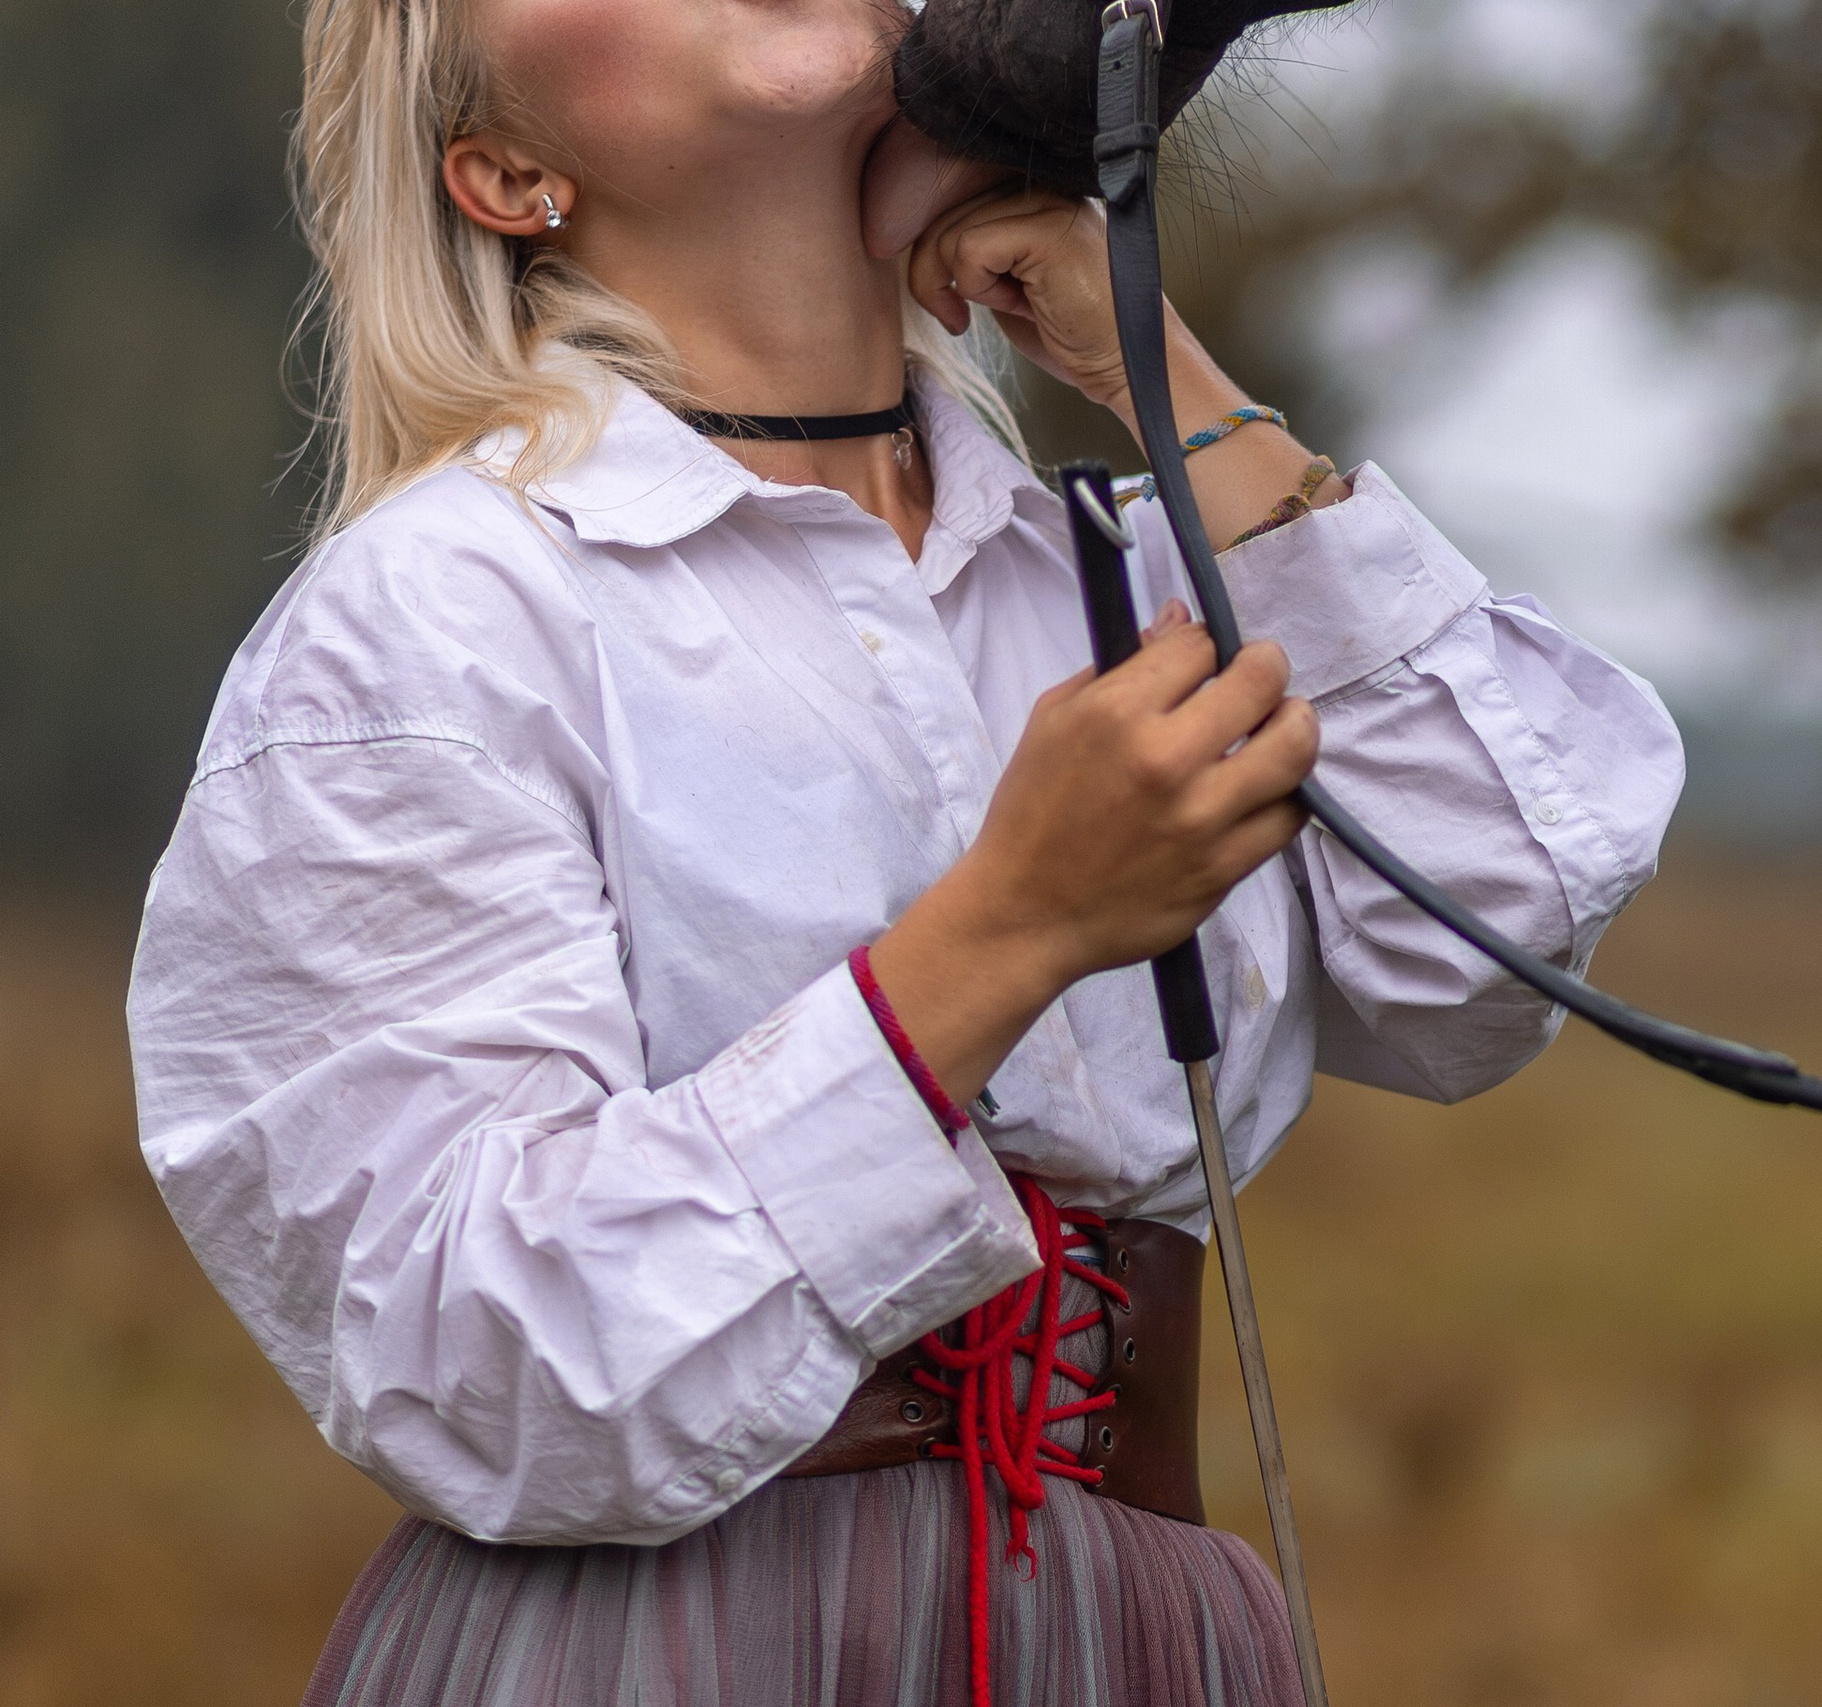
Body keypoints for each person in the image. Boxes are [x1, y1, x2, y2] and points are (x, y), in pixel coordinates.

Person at [126, 0, 1685, 1702]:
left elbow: (1486, 944)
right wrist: (1008, 931)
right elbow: (486, 1358)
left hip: (1138, 1645)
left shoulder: (1116, 573)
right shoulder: (435, 617)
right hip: (670, 1648)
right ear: (506, 173)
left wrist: (1149, 363)